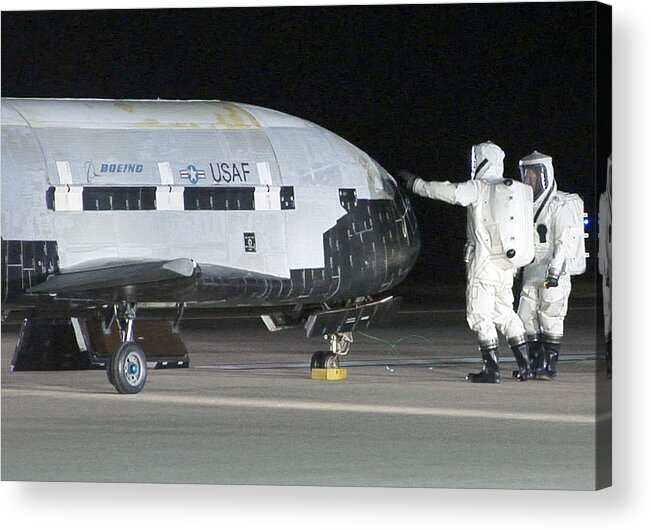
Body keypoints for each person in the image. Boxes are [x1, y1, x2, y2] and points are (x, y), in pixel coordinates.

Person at [399, 141, 534, 383]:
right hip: (506, 268)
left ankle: (491, 370)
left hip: (483, 266)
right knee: (505, 314)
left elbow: (450, 192)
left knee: (479, 315)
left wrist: (416, 185)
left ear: (481, 160)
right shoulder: (507, 190)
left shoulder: (480, 188)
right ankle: (526, 366)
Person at [516, 151, 586, 380]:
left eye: (532, 175)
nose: (528, 179)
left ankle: (550, 367)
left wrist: (555, 271)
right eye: (525, 174)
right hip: (532, 268)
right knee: (525, 315)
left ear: (543, 174)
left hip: (553, 269)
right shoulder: (526, 205)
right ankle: (536, 364)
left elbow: (564, 241)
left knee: (550, 316)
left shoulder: (559, 205)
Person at [598, 154, 612, 378]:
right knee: (610, 313)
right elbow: (603, 237)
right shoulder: (605, 200)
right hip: (610, 269)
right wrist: (604, 266)